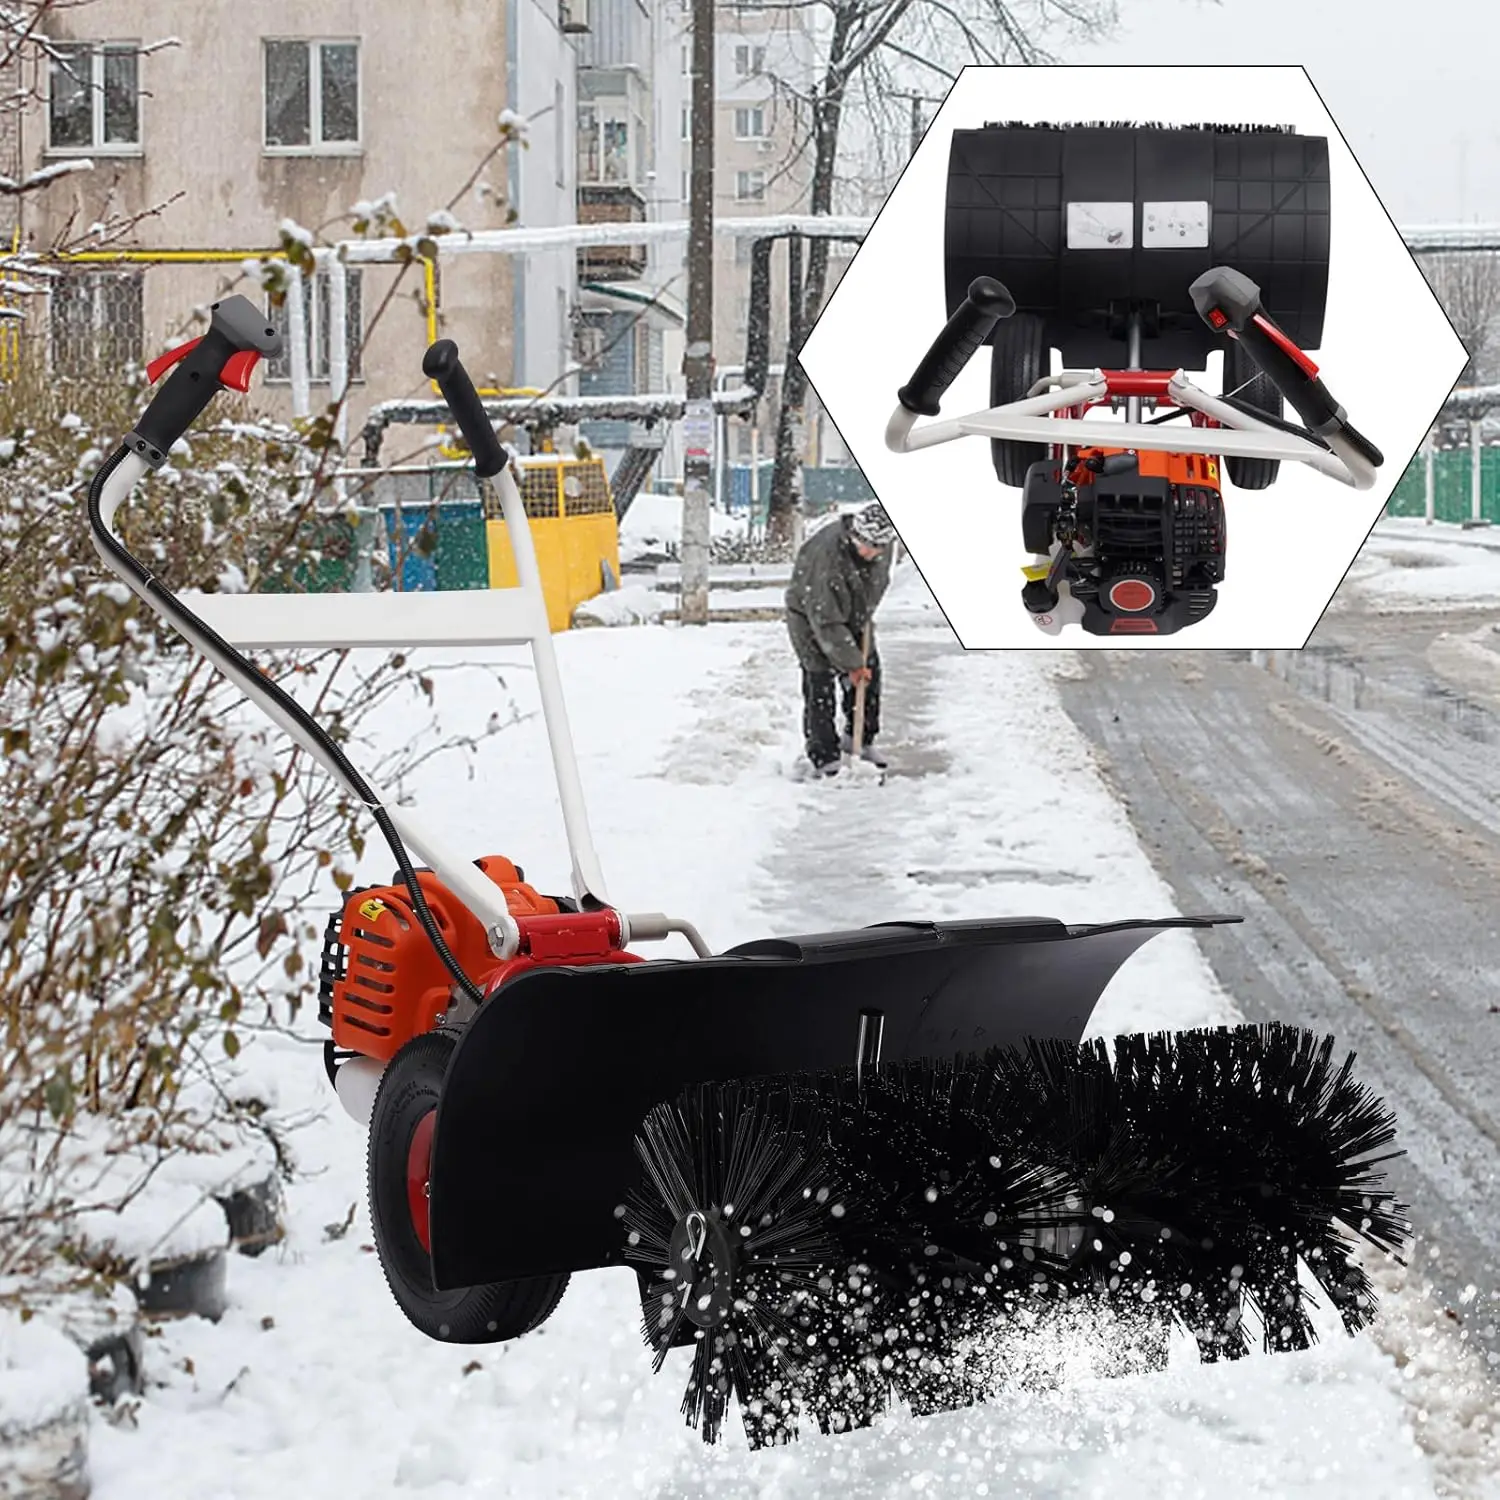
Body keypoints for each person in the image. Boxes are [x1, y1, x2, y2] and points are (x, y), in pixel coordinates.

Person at [784, 501, 897, 776]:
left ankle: (859, 738)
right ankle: (824, 756)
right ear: (854, 536)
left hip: (855, 615)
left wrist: (859, 655)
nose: (872, 552)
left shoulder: (883, 544)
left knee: (869, 678)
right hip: (812, 621)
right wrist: (851, 663)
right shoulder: (826, 559)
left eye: (878, 547)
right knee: (819, 684)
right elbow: (827, 622)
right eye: (867, 545)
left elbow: (877, 582)